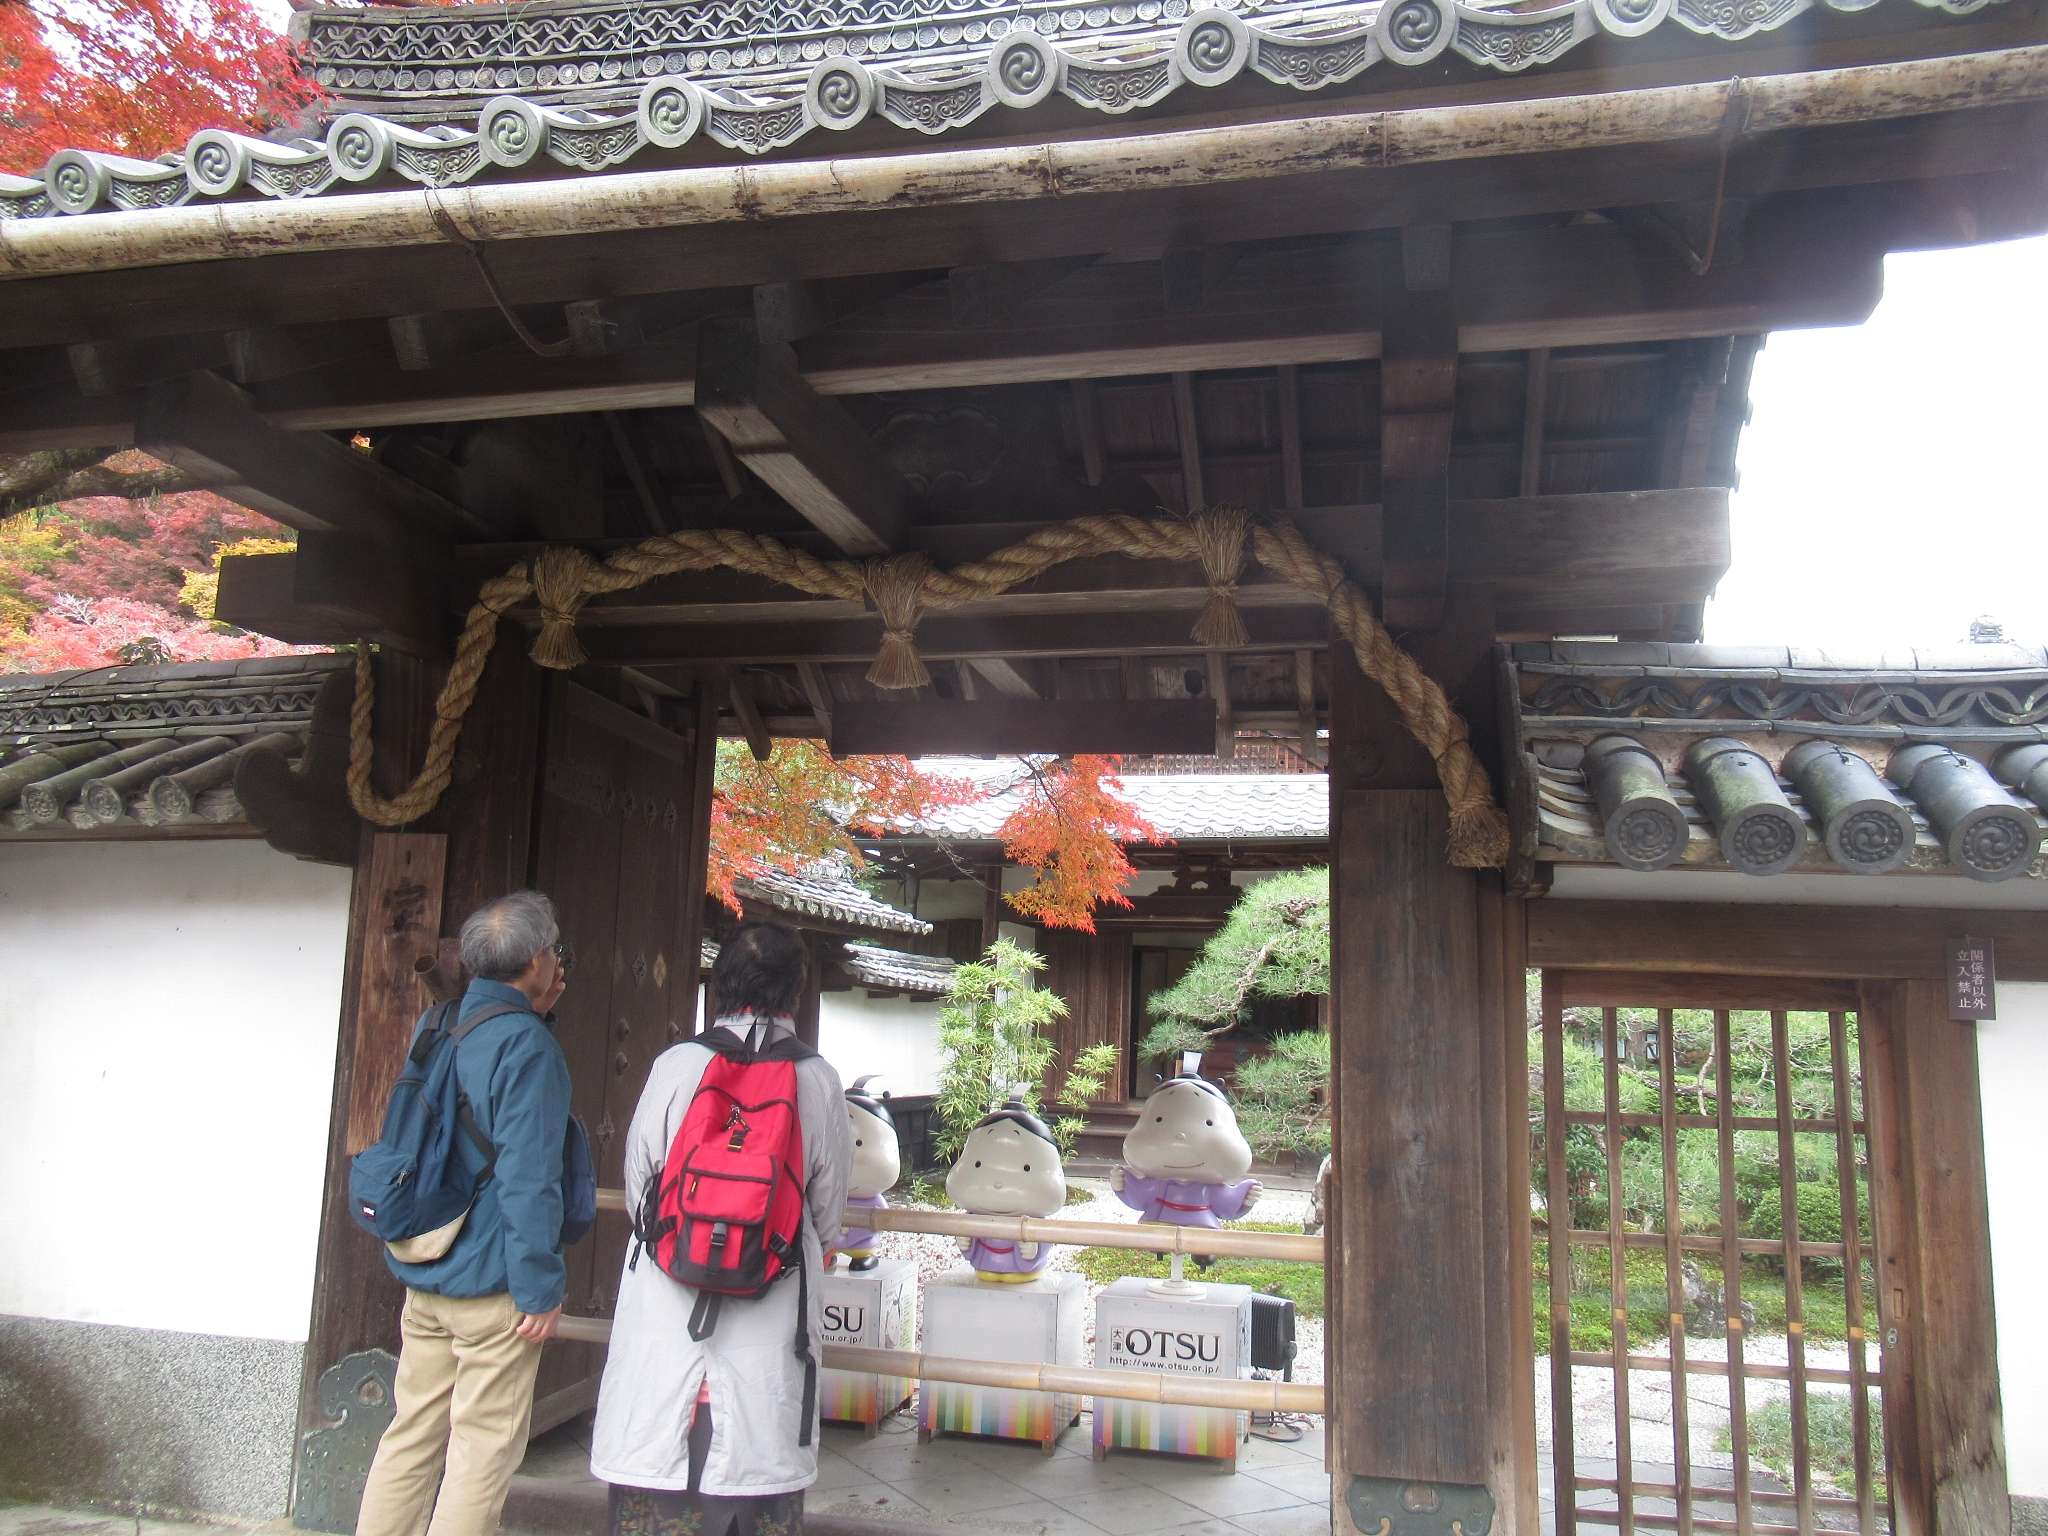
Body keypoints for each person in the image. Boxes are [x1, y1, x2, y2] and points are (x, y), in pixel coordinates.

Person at [592, 922, 850, 1536]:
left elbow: (640, 1189)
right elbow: (826, 1213)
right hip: (769, 1326)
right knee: (756, 1470)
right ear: (795, 994)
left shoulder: (677, 1064)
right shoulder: (817, 1079)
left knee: (655, 1465)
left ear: (721, 983)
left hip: (666, 1321)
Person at [356, 890, 573, 1536]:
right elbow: (530, 1179)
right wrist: (539, 1286)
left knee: (411, 1435)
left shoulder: (438, 1023)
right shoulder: (527, 1048)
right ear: (536, 960)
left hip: (426, 1270)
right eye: (554, 949)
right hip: (492, 1285)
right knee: (481, 1449)